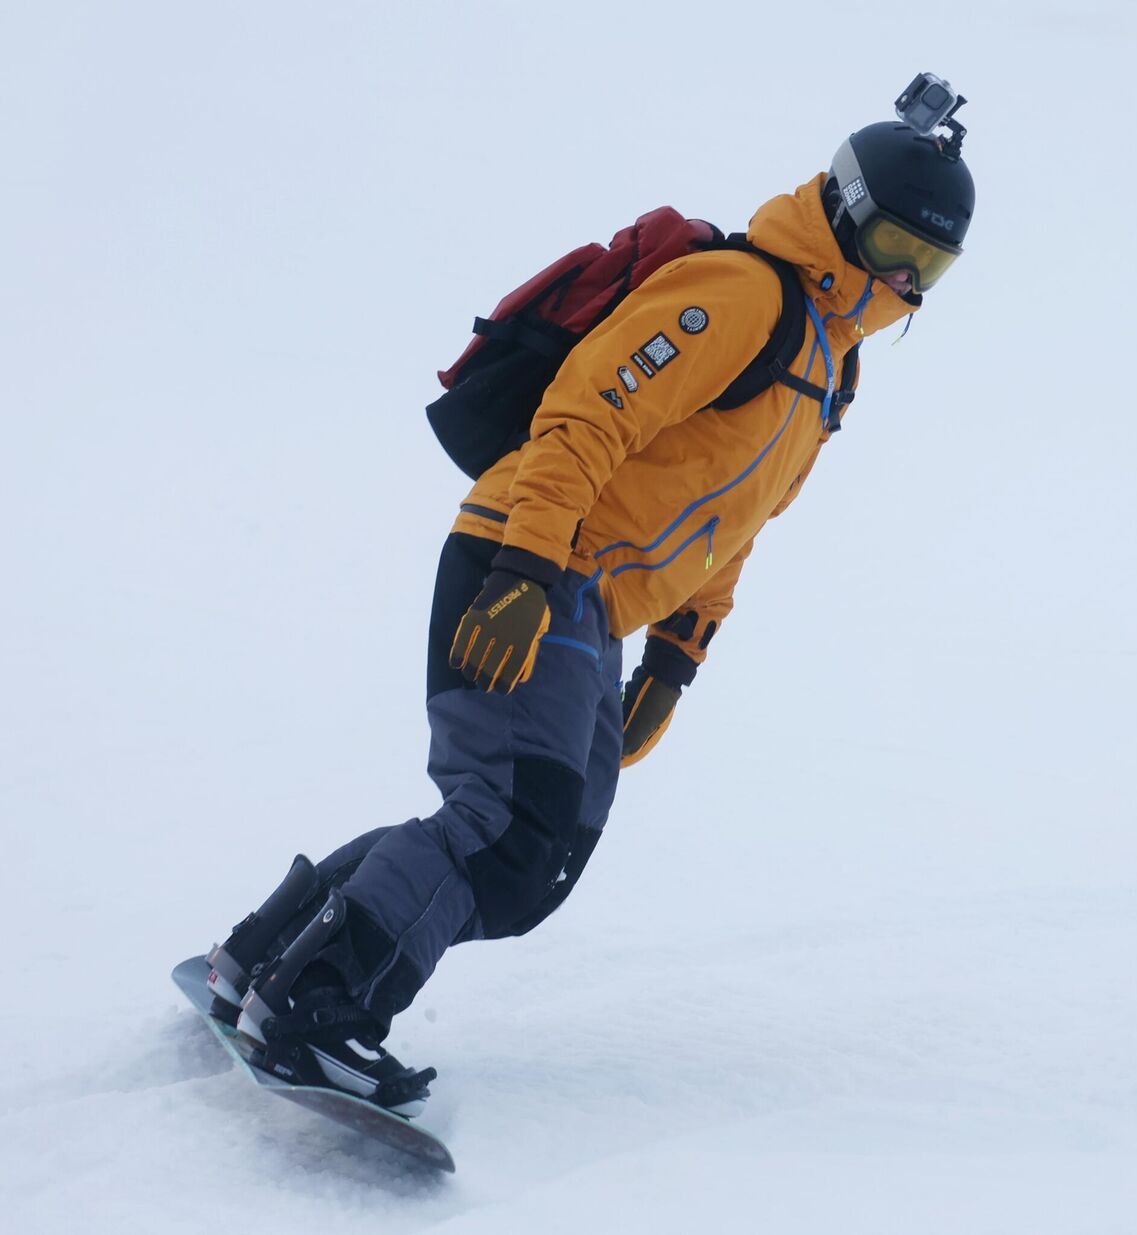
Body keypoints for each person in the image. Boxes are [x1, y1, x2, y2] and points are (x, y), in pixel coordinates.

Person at [195, 95, 976, 1115]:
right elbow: (581, 415)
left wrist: (676, 655)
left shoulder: (832, 367)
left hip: (585, 601)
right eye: (889, 244)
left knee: (517, 836)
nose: (902, 280)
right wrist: (525, 569)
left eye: (930, 265)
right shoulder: (739, 294)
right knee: (515, 837)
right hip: (529, 558)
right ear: (842, 208)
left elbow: (735, 517)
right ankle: (320, 1003)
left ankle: (264, 958)